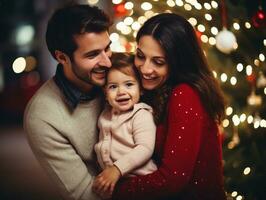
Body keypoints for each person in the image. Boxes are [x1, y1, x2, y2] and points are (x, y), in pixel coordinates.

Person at [107, 13, 226, 200]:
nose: (145, 69)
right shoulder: (149, 89)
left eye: (158, 62)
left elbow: (172, 179)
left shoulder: (185, 95)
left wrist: (113, 188)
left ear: (178, 62)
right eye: (140, 56)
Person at [23, 4, 112, 200]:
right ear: (62, 57)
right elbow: (85, 195)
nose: (107, 62)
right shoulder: (42, 117)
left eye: (108, 48)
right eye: (93, 54)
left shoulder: (121, 75)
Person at [92, 53, 157, 196]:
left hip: (143, 182)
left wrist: (116, 169)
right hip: (117, 182)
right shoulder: (105, 114)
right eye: (113, 87)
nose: (121, 92)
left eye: (129, 84)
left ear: (140, 89)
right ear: (105, 92)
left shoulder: (141, 114)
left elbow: (145, 148)